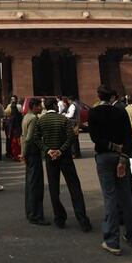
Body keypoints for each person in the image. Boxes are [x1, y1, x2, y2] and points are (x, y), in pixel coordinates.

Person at [89, 86, 132, 256]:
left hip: (104, 157)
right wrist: (123, 157)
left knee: (110, 197)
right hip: (120, 158)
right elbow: (128, 137)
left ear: (98, 96)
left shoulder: (94, 113)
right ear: (112, 97)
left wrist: (111, 146)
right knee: (126, 196)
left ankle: (112, 241)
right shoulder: (120, 112)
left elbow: (95, 138)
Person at [34, 97, 92, 231]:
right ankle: (82, 219)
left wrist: (48, 150)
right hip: (65, 157)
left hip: (50, 158)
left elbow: (35, 138)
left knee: (54, 189)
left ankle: (59, 218)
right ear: (54, 106)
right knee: (74, 187)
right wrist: (61, 150)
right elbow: (71, 136)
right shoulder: (63, 119)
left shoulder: (41, 120)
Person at [23, 98, 48, 225]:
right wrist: (25, 154)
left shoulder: (26, 117)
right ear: (34, 106)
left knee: (30, 183)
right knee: (36, 185)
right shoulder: (33, 118)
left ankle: (30, 212)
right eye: (39, 106)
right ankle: (35, 215)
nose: (41, 108)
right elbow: (29, 138)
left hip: (29, 153)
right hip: (33, 153)